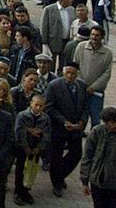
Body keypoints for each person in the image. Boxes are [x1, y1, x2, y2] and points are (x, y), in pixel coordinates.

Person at [45, 62, 88, 196]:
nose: (70, 76)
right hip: (59, 128)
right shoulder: (54, 86)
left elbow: (85, 107)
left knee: (76, 155)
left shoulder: (82, 86)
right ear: (63, 73)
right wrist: (63, 121)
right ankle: (56, 183)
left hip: (76, 128)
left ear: (77, 74)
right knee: (56, 156)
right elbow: (49, 107)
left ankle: (60, 175)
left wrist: (82, 121)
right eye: (67, 73)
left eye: (73, 73)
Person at [12, 93, 50, 205]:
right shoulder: (22, 115)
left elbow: (47, 134)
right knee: (20, 170)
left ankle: (26, 191)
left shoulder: (45, 118)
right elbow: (18, 132)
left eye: (41, 106)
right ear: (31, 103)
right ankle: (18, 191)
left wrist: (39, 148)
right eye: (36, 105)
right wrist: (25, 147)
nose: (38, 108)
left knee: (32, 170)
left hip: (36, 150)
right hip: (22, 149)